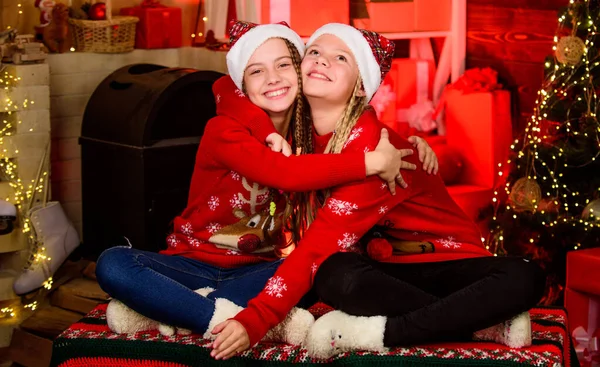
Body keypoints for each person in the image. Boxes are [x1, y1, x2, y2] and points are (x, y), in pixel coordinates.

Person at [209, 23, 545, 360]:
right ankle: (473, 324)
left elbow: (316, 246)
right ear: (300, 69)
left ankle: (381, 332)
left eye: (340, 57)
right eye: (314, 52)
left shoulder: (378, 153)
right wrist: (264, 130)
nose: (322, 61)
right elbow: (229, 88)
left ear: (359, 88)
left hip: (447, 267)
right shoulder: (299, 134)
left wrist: (254, 321)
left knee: (526, 276)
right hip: (385, 273)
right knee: (334, 274)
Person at [95, 21, 437, 344]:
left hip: (259, 272)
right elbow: (282, 168)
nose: (272, 78)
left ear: (302, 71)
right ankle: (216, 319)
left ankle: (179, 311)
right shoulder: (224, 131)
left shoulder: (304, 129)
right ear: (242, 83)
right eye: (256, 71)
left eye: (284, 65)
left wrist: (410, 141)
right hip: (193, 263)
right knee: (113, 263)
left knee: (319, 268)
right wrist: (370, 162)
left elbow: (353, 115)